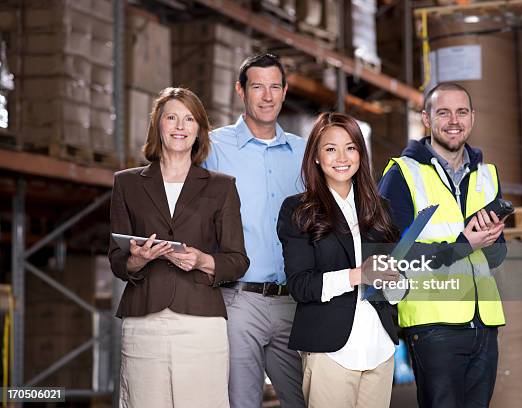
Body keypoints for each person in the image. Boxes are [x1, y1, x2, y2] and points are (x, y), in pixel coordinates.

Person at [108, 87, 249, 408]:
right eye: (171, 117)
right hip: (144, 321)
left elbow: (237, 260)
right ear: (158, 125)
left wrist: (202, 260)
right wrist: (136, 260)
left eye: (189, 119)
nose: (180, 126)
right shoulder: (127, 184)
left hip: (201, 322)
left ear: (199, 130)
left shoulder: (222, 186)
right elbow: (117, 260)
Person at [378, 82, 508, 408]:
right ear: (426, 118)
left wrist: (492, 240)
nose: (454, 120)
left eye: (461, 112)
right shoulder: (403, 174)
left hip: (484, 325)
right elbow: (396, 258)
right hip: (433, 325)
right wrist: (464, 244)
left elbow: (495, 256)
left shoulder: (486, 174)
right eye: (443, 112)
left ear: (472, 118)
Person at [277, 112, 401, 408]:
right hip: (331, 352)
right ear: (316, 157)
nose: (342, 157)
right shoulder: (298, 210)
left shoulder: (379, 208)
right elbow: (300, 285)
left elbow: (395, 288)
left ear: (361, 153)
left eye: (351, 147)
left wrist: (396, 281)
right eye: (331, 149)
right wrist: (358, 275)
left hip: (379, 349)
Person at [203, 53, 306, 408]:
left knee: (305, 399)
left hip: (295, 301)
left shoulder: (304, 152)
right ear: (240, 91)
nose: (266, 96)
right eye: (257, 86)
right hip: (238, 301)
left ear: (284, 91)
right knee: (241, 402)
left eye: (274, 87)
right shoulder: (213, 148)